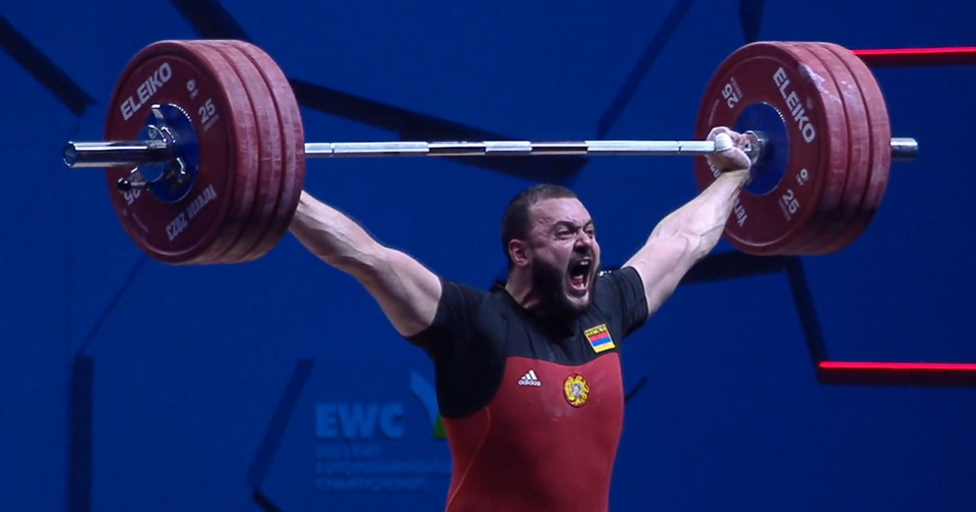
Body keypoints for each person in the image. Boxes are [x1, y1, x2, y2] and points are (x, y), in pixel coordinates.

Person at [288, 127, 753, 512]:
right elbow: (367, 257)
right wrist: (279, 188)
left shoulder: (606, 307)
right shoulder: (474, 326)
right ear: (520, 253)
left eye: (590, 231)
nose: (585, 243)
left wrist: (733, 176)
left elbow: (683, 241)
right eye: (565, 233)